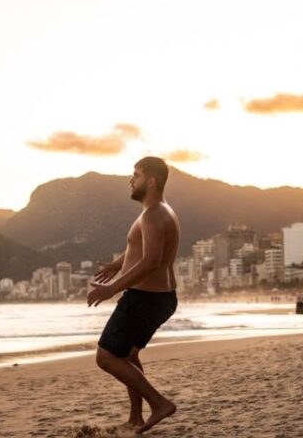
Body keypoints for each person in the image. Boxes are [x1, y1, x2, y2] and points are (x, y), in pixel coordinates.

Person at [89, 157, 179, 435]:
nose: (131, 180)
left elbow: (151, 260)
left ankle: (159, 404)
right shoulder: (160, 211)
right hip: (160, 298)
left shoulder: (153, 214)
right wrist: (118, 264)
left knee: (105, 357)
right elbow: (138, 249)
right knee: (127, 355)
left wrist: (111, 289)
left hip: (144, 299)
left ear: (151, 181)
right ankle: (136, 417)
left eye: (136, 175)